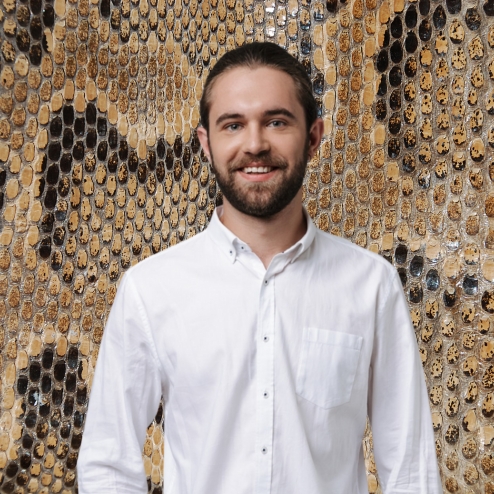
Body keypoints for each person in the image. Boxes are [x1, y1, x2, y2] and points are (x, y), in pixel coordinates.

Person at [78, 42, 442, 493]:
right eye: (233, 125)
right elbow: (107, 464)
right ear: (207, 144)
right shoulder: (150, 290)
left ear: (313, 137)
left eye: (276, 122)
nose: (255, 144)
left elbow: (411, 471)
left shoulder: (371, 286)